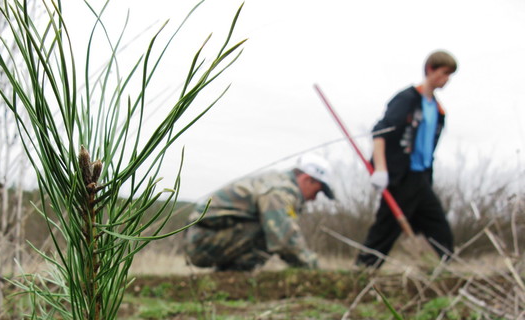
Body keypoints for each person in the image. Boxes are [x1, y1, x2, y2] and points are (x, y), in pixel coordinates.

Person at [356, 50, 458, 268]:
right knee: (386, 229)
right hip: (401, 176)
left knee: (440, 231)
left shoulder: (438, 111)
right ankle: (363, 270)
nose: (447, 79)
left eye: (450, 75)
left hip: (422, 177)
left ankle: (443, 274)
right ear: (430, 69)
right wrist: (381, 170)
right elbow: (380, 133)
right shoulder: (407, 99)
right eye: (445, 73)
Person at [184, 156, 335, 271]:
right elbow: (284, 240)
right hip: (201, 240)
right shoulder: (278, 190)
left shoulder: (279, 183)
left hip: (209, 237)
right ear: (308, 180)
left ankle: (231, 276)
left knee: (269, 228)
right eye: (317, 192)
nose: (314, 198)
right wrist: (313, 268)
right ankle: (237, 276)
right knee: (271, 228)